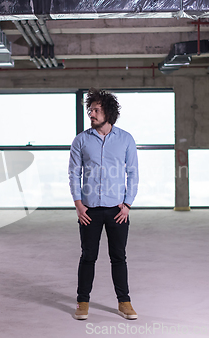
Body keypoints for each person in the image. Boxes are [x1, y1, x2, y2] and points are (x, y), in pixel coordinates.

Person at [68, 88, 139, 321]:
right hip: (89, 210)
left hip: (117, 210)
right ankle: (82, 302)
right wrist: (78, 204)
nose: (92, 113)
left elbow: (133, 173)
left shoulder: (126, 139)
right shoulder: (81, 140)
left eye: (97, 109)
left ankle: (124, 302)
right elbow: (73, 174)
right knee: (88, 256)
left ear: (109, 112)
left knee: (118, 256)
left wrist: (128, 204)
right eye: (90, 109)